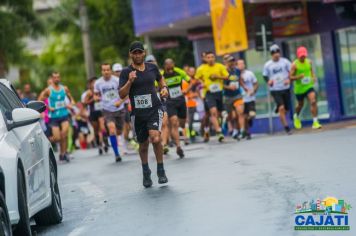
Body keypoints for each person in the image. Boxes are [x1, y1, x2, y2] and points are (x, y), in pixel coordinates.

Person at [119, 41, 169, 188]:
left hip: (154, 109)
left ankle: (161, 170)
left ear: (144, 53)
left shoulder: (152, 68)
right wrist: (129, 81)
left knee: (155, 137)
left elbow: (160, 79)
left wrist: (164, 88)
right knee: (143, 144)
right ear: (130, 54)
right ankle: (146, 171)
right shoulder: (125, 72)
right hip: (137, 114)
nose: (137, 55)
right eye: (134, 52)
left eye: (140, 52)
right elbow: (122, 94)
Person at [39, 71, 75, 162]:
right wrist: (48, 107)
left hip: (64, 115)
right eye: (55, 77)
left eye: (58, 77)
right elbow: (39, 100)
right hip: (53, 117)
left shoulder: (64, 88)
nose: (57, 79)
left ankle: (63, 154)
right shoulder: (48, 90)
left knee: (64, 134)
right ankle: (59, 151)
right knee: (57, 138)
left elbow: (72, 100)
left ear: (60, 78)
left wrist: (70, 104)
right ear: (52, 78)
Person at [94, 63, 126, 162]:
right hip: (107, 109)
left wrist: (120, 102)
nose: (106, 72)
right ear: (101, 71)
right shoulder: (98, 83)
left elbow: (125, 94)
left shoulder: (117, 81)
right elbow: (95, 95)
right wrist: (97, 98)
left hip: (119, 108)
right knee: (112, 130)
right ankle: (116, 154)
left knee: (119, 131)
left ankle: (118, 141)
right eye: (104, 70)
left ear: (111, 71)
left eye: (108, 70)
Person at [195, 51, 228, 142]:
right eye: (208, 57)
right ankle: (218, 132)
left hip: (219, 92)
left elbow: (227, 77)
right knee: (211, 113)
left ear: (214, 58)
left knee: (219, 114)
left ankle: (211, 129)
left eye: (212, 57)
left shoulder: (220, 66)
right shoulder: (201, 69)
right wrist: (202, 83)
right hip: (208, 93)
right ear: (205, 59)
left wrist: (217, 76)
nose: (210, 59)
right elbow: (196, 79)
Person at [162, 58, 190, 158]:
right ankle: (178, 147)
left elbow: (191, 81)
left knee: (182, 123)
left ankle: (174, 138)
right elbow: (156, 86)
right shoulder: (161, 75)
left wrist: (186, 90)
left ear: (173, 64)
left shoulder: (179, 72)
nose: (169, 65)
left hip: (181, 100)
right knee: (174, 122)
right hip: (170, 102)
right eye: (167, 64)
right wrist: (162, 91)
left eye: (171, 63)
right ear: (165, 66)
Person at [290, 46, 322, 130]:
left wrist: (313, 76)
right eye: (301, 56)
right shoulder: (294, 65)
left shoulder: (309, 62)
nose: (303, 57)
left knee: (313, 101)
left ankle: (315, 122)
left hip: (308, 86)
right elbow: (290, 77)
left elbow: (311, 70)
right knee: (300, 105)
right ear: (298, 55)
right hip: (299, 89)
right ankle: (296, 116)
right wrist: (299, 76)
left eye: (304, 55)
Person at [263, 44, 292, 134]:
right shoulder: (268, 65)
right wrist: (268, 81)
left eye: (277, 52)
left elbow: (292, 71)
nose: (276, 54)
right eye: (274, 53)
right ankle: (286, 127)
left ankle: (278, 107)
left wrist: (289, 79)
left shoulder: (285, 62)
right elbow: (265, 75)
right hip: (275, 89)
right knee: (282, 108)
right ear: (271, 54)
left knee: (286, 109)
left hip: (285, 87)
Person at [83, 77, 109, 155]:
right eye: (93, 83)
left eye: (96, 82)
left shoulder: (100, 90)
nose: (94, 84)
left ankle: (105, 141)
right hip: (93, 112)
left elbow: (107, 98)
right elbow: (84, 103)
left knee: (103, 127)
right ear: (90, 84)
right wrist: (92, 100)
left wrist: (101, 98)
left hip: (101, 111)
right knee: (96, 130)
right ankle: (99, 145)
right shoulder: (89, 93)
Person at [223, 55, 245, 140]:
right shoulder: (223, 72)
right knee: (233, 116)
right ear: (226, 63)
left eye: (233, 61)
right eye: (230, 61)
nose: (232, 63)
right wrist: (229, 87)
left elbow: (239, 80)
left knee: (240, 112)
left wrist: (245, 88)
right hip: (227, 96)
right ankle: (234, 129)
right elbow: (221, 85)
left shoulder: (237, 70)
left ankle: (242, 130)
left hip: (237, 95)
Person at [238, 59, 259, 140]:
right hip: (241, 99)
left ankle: (248, 124)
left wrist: (254, 91)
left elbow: (256, 83)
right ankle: (247, 133)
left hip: (250, 98)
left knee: (252, 114)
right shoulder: (236, 75)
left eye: (242, 63)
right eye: (239, 64)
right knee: (244, 116)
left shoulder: (249, 73)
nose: (241, 65)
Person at [184, 67, 200, 142]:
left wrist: (197, 94)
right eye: (191, 71)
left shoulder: (197, 81)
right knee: (190, 121)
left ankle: (201, 133)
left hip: (198, 103)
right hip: (189, 104)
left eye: (194, 71)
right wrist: (191, 95)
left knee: (200, 119)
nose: (192, 73)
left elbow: (199, 90)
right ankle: (191, 135)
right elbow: (184, 92)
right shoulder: (185, 82)